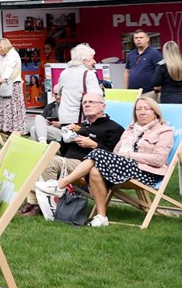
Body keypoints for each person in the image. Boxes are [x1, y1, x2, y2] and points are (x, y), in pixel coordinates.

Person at [48, 97, 173, 227]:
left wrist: (130, 155)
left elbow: (158, 160)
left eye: (147, 109)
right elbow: (116, 152)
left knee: (98, 153)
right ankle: (101, 216)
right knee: (95, 171)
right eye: (138, 109)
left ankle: (61, 183)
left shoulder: (164, 131)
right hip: (124, 168)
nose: (142, 112)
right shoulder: (130, 130)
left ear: (155, 112)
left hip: (145, 172)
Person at [23, 92, 124, 216]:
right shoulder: (81, 126)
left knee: (48, 162)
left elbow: (115, 157)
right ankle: (33, 203)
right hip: (69, 161)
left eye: (91, 102)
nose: (87, 105)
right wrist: (66, 139)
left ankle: (48, 205)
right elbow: (65, 152)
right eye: (84, 102)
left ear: (103, 106)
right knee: (37, 157)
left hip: (89, 165)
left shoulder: (113, 128)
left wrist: (93, 144)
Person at [0, 38, 24, 134]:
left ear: (3, 46)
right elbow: (1, 75)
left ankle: (15, 129)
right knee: (6, 107)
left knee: (13, 107)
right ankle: (7, 128)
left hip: (13, 85)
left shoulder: (13, 54)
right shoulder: (5, 57)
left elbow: (10, 68)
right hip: (7, 85)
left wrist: (4, 78)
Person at [125, 30, 162, 97]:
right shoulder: (130, 55)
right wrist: (125, 90)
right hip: (133, 93)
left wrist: (158, 86)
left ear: (147, 39)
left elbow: (161, 71)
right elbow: (127, 72)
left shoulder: (155, 54)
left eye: (141, 37)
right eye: (136, 38)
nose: (138, 40)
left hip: (149, 92)